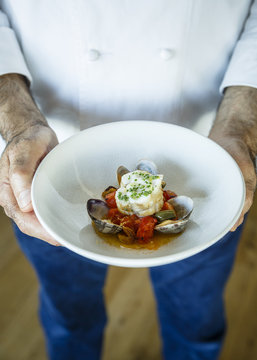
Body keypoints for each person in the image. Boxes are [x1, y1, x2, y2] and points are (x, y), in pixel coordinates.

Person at [0, 1, 257, 359]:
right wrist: (19, 122)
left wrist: (240, 124)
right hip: (47, 165)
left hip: (207, 157)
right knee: (69, 323)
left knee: (196, 326)